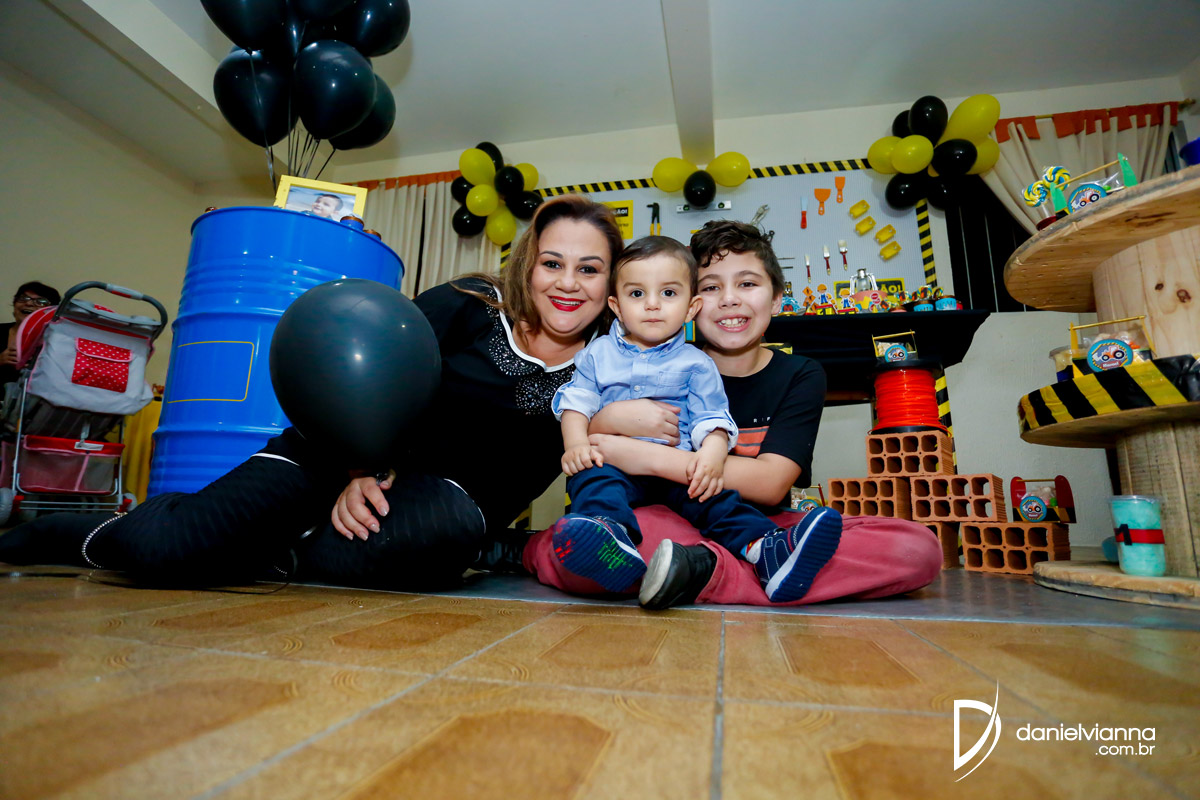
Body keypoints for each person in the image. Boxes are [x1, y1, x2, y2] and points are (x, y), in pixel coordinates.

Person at [0, 196, 624, 592]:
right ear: (528, 265)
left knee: (447, 532)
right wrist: (362, 466)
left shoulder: (610, 372)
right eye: (552, 263)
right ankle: (72, 533)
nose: (568, 284)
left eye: (589, 269)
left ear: (612, 287)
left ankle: (269, 555)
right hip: (333, 454)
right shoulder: (469, 305)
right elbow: (370, 374)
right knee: (170, 552)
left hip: (427, 513)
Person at [509, 220, 943, 608]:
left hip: (749, 518)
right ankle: (731, 569)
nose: (730, 300)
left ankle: (696, 570)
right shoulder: (644, 362)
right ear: (696, 303)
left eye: (747, 284)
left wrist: (645, 456)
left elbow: (770, 485)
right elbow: (586, 428)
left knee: (915, 547)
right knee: (623, 533)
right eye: (712, 287)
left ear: (777, 298)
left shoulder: (799, 373)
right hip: (657, 515)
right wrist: (609, 427)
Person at [548, 236, 842, 603]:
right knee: (596, 483)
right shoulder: (599, 352)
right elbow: (578, 402)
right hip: (624, 486)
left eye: (668, 293)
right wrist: (583, 439)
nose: (652, 304)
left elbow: (712, 418)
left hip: (682, 481)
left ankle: (762, 550)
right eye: (637, 294)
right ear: (617, 306)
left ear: (690, 306)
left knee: (712, 497)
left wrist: (713, 452)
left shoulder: (699, 365)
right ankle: (613, 538)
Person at [2, 281, 61, 386]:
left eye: (41, 301)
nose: (28, 303)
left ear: (51, 311)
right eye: (23, 298)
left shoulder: (56, 340)